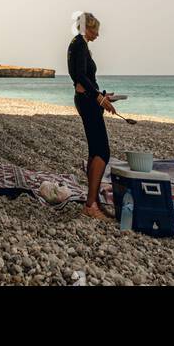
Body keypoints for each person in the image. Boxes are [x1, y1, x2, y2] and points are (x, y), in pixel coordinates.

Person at [68, 12, 117, 221]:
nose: (97, 34)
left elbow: (84, 77)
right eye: (95, 29)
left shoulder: (79, 44)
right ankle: (90, 206)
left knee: (95, 150)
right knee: (102, 152)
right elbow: (79, 76)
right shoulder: (79, 43)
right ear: (85, 27)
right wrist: (98, 98)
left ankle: (93, 201)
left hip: (88, 99)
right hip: (88, 101)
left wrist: (103, 96)